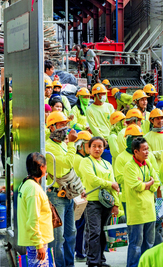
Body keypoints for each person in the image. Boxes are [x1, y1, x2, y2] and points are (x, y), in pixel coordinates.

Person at [45, 111, 79, 267]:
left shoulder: (61, 144)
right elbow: (67, 164)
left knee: (71, 234)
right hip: (56, 197)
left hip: (68, 195)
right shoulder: (48, 146)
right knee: (58, 238)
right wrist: (72, 143)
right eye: (61, 125)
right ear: (52, 128)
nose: (65, 128)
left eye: (66, 124)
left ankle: (69, 264)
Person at [79, 137, 120, 267]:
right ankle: (92, 261)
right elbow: (92, 180)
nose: (97, 149)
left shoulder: (107, 164)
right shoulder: (86, 162)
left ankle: (100, 260)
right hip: (92, 202)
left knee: (103, 232)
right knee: (94, 232)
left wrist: (116, 204)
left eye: (100, 146)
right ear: (89, 148)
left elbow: (115, 187)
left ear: (104, 148)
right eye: (94, 146)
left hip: (107, 203)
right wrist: (109, 184)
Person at [124, 137, 160, 267]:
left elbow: (156, 182)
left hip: (150, 210)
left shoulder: (148, 163)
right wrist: (148, 183)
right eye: (144, 150)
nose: (147, 152)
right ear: (135, 152)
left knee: (149, 244)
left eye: (147, 149)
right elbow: (136, 186)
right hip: (137, 212)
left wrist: (147, 184)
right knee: (136, 245)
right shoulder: (129, 167)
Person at [17, 153, 54, 267]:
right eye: (45, 165)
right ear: (41, 167)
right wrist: (39, 245)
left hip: (36, 240)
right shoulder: (33, 189)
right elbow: (33, 219)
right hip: (37, 241)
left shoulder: (26, 183)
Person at [73, 131, 92, 262]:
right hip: (81, 195)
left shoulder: (78, 158)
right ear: (80, 146)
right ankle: (80, 252)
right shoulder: (81, 160)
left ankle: (80, 251)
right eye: (88, 145)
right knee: (81, 225)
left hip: (77, 194)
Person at [144, 108, 163, 183]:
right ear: (151, 120)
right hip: (155, 172)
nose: (160, 121)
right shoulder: (147, 137)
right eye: (157, 118)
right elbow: (149, 156)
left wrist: (156, 153)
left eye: (161, 118)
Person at [0, 84, 13, 172]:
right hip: (4, 131)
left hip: (12, 129)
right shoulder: (1, 102)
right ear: (4, 92)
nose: (9, 93)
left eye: (11, 91)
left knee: (11, 151)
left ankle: (10, 169)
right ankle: (6, 169)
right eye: (7, 91)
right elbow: (1, 118)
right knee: (4, 151)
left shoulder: (14, 101)